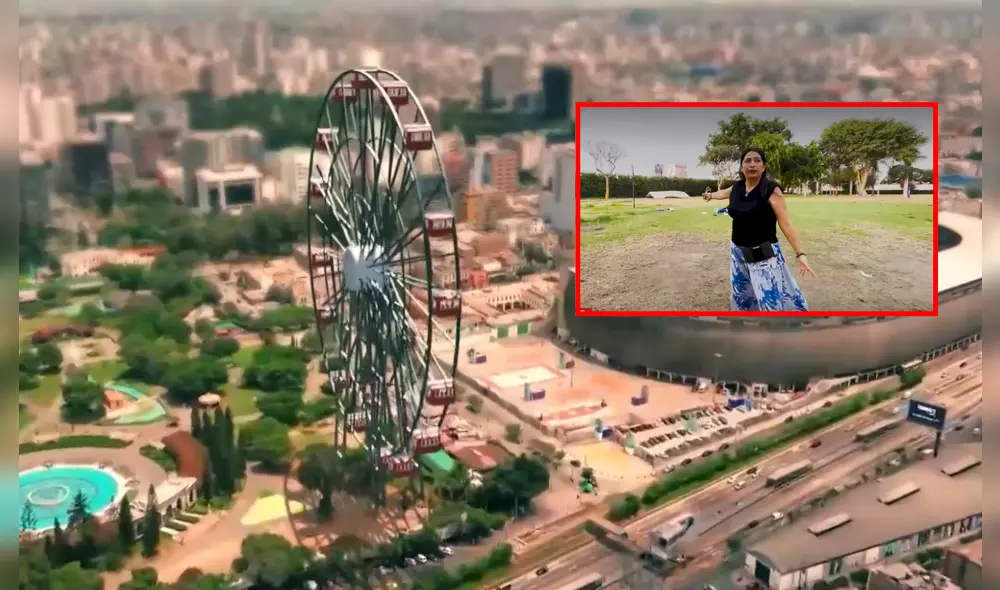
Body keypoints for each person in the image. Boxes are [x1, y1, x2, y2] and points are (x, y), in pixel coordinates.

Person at [703, 147, 817, 311]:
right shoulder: (738, 187)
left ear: (764, 167)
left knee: (769, 300)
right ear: (742, 167)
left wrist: (800, 254)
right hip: (738, 251)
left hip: (763, 254)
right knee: (742, 294)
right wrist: (710, 195)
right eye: (747, 161)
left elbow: (786, 223)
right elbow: (723, 193)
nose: (752, 165)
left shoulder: (771, 190)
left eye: (757, 160)